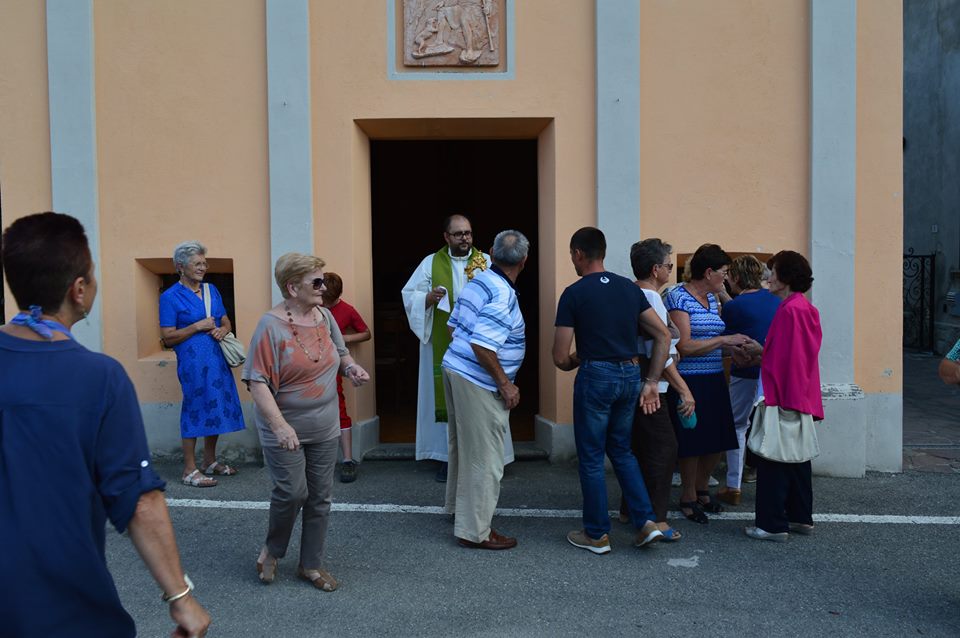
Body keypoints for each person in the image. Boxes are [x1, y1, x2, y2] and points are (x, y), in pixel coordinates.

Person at [0, 212, 210, 638]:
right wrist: (181, 599)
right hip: (63, 605)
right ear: (79, 290)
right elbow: (138, 500)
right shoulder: (99, 377)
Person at [242, 253, 370, 591]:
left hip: (324, 426)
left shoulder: (325, 317)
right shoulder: (270, 326)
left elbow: (341, 354)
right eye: (316, 281)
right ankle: (273, 549)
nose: (323, 286)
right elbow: (256, 381)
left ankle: (311, 565)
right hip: (285, 426)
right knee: (291, 493)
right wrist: (280, 425)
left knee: (320, 497)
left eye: (322, 279)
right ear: (292, 286)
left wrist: (351, 369)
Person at [553, 227, 671, 554]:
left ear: (578, 254)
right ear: (602, 252)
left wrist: (579, 357)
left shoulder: (574, 293)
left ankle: (597, 534)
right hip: (631, 374)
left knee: (591, 457)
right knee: (621, 450)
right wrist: (651, 382)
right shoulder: (628, 289)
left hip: (596, 374)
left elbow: (560, 356)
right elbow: (662, 335)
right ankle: (646, 522)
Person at [401, 214, 514, 482]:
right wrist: (428, 299)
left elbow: (503, 293)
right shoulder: (431, 263)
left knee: (482, 399)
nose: (464, 238)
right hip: (445, 344)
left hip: (480, 345)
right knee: (449, 401)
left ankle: (489, 456)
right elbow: (409, 296)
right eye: (458, 234)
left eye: (468, 233)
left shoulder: (485, 262)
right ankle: (447, 458)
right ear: (446, 237)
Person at [442, 230, 529, 550]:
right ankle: (475, 530)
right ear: (524, 260)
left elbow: (454, 326)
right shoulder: (503, 294)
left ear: (491, 252)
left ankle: (458, 510)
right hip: (477, 379)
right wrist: (505, 384)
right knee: (486, 458)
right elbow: (482, 344)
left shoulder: (477, 282)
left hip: (455, 369)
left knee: (462, 446)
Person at [665, 243, 749, 524]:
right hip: (688, 380)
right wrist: (725, 341)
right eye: (723, 273)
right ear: (708, 271)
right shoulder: (679, 296)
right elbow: (686, 346)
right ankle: (687, 496)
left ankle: (702, 489)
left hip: (713, 376)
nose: (725, 278)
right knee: (692, 441)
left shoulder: (713, 299)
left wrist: (732, 350)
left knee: (717, 438)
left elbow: (711, 341)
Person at [622, 238, 697, 542]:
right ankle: (654, 517)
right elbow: (660, 351)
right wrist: (684, 389)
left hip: (636, 381)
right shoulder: (650, 298)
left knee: (641, 448)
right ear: (655, 269)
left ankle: (631, 509)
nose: (671, 271)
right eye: (669, 265)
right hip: (652, 386)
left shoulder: (634, 292)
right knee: (663, 450)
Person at [744, 250, 823, 541]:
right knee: (797, 458)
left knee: (773, 459)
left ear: (786, 277)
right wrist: (762, 352)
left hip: (783, 393)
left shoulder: (790, 310)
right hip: (799, 393)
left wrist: (761, 360)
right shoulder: (802, 307)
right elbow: (797, 355)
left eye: (773, 271)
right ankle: (800, 517)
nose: (769, 277)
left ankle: (771, 524)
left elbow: (787, 360)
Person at [160, 241, 245, 488]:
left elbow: (226, 321)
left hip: (216, 358)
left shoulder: (212, 290)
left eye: (204, 263)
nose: (203, 267)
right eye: (197, 263)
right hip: (192, 362)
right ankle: (189, 469)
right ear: (180, 267)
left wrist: (222, 329)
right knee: (195, 407)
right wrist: (197, 326)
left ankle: (209, 461)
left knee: (215, 405)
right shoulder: (170, 297)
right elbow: (167, 337)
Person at [716, 255, 780, 505]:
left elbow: (727, 340)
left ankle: (734, 485)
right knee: (768, 426)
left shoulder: (733, 307)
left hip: (744, 373)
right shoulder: (775, 301)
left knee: (737, 426)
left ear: (738, 278)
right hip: (769, 371)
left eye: (730, 276)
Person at [321, 272, 372, 483]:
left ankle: (348, 460)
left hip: (334, 366)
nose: (325, 303)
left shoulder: (346, 310)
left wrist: (345, 338)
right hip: (310, 366)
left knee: (340, 409)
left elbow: (366, 333)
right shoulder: (312, 309)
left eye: (330, 301)